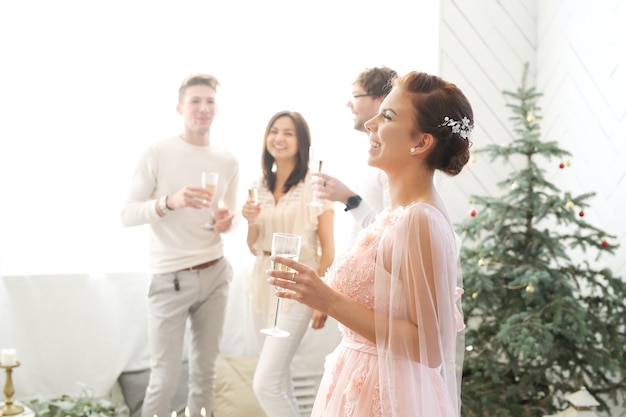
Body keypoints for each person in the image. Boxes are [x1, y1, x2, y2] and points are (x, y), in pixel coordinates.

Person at [267, 71, 471, 416]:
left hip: (387, 394)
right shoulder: (398, 212)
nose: (370, 125)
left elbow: (431, 347)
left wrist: (327, 299)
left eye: (387, 116)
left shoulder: (420, 220)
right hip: (358, 381)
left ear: (421, 143)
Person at [120, 73, 239, 417]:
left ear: (216, 108)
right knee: (165, 376)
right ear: (180, 107)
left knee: (205, 372)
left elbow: (229, 218)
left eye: (210, 101)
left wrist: (228, 223)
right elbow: (126, 215)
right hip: (169, 278)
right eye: (195, 101)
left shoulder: (228, 160)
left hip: (215, 273)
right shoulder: (157, 152)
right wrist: (169, 201)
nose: (203, 109)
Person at [241, 110, 335, 417]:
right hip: (262, 282)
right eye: (274, 131)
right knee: (277, 379)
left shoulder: (315, 184)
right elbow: (253, 245)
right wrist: (251, 222)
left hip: (297, 287)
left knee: (265, 383)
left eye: (288, 133)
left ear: (302, 142)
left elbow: (328, 249)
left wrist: (322, 298)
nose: (278, 139)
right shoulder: (258, 184)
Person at [314, 66, 397, 241]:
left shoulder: (393, 160)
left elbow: (392, 234)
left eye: (356, 96)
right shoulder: (370, 155)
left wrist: (349, 199)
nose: (348, 104)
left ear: (382, 101)